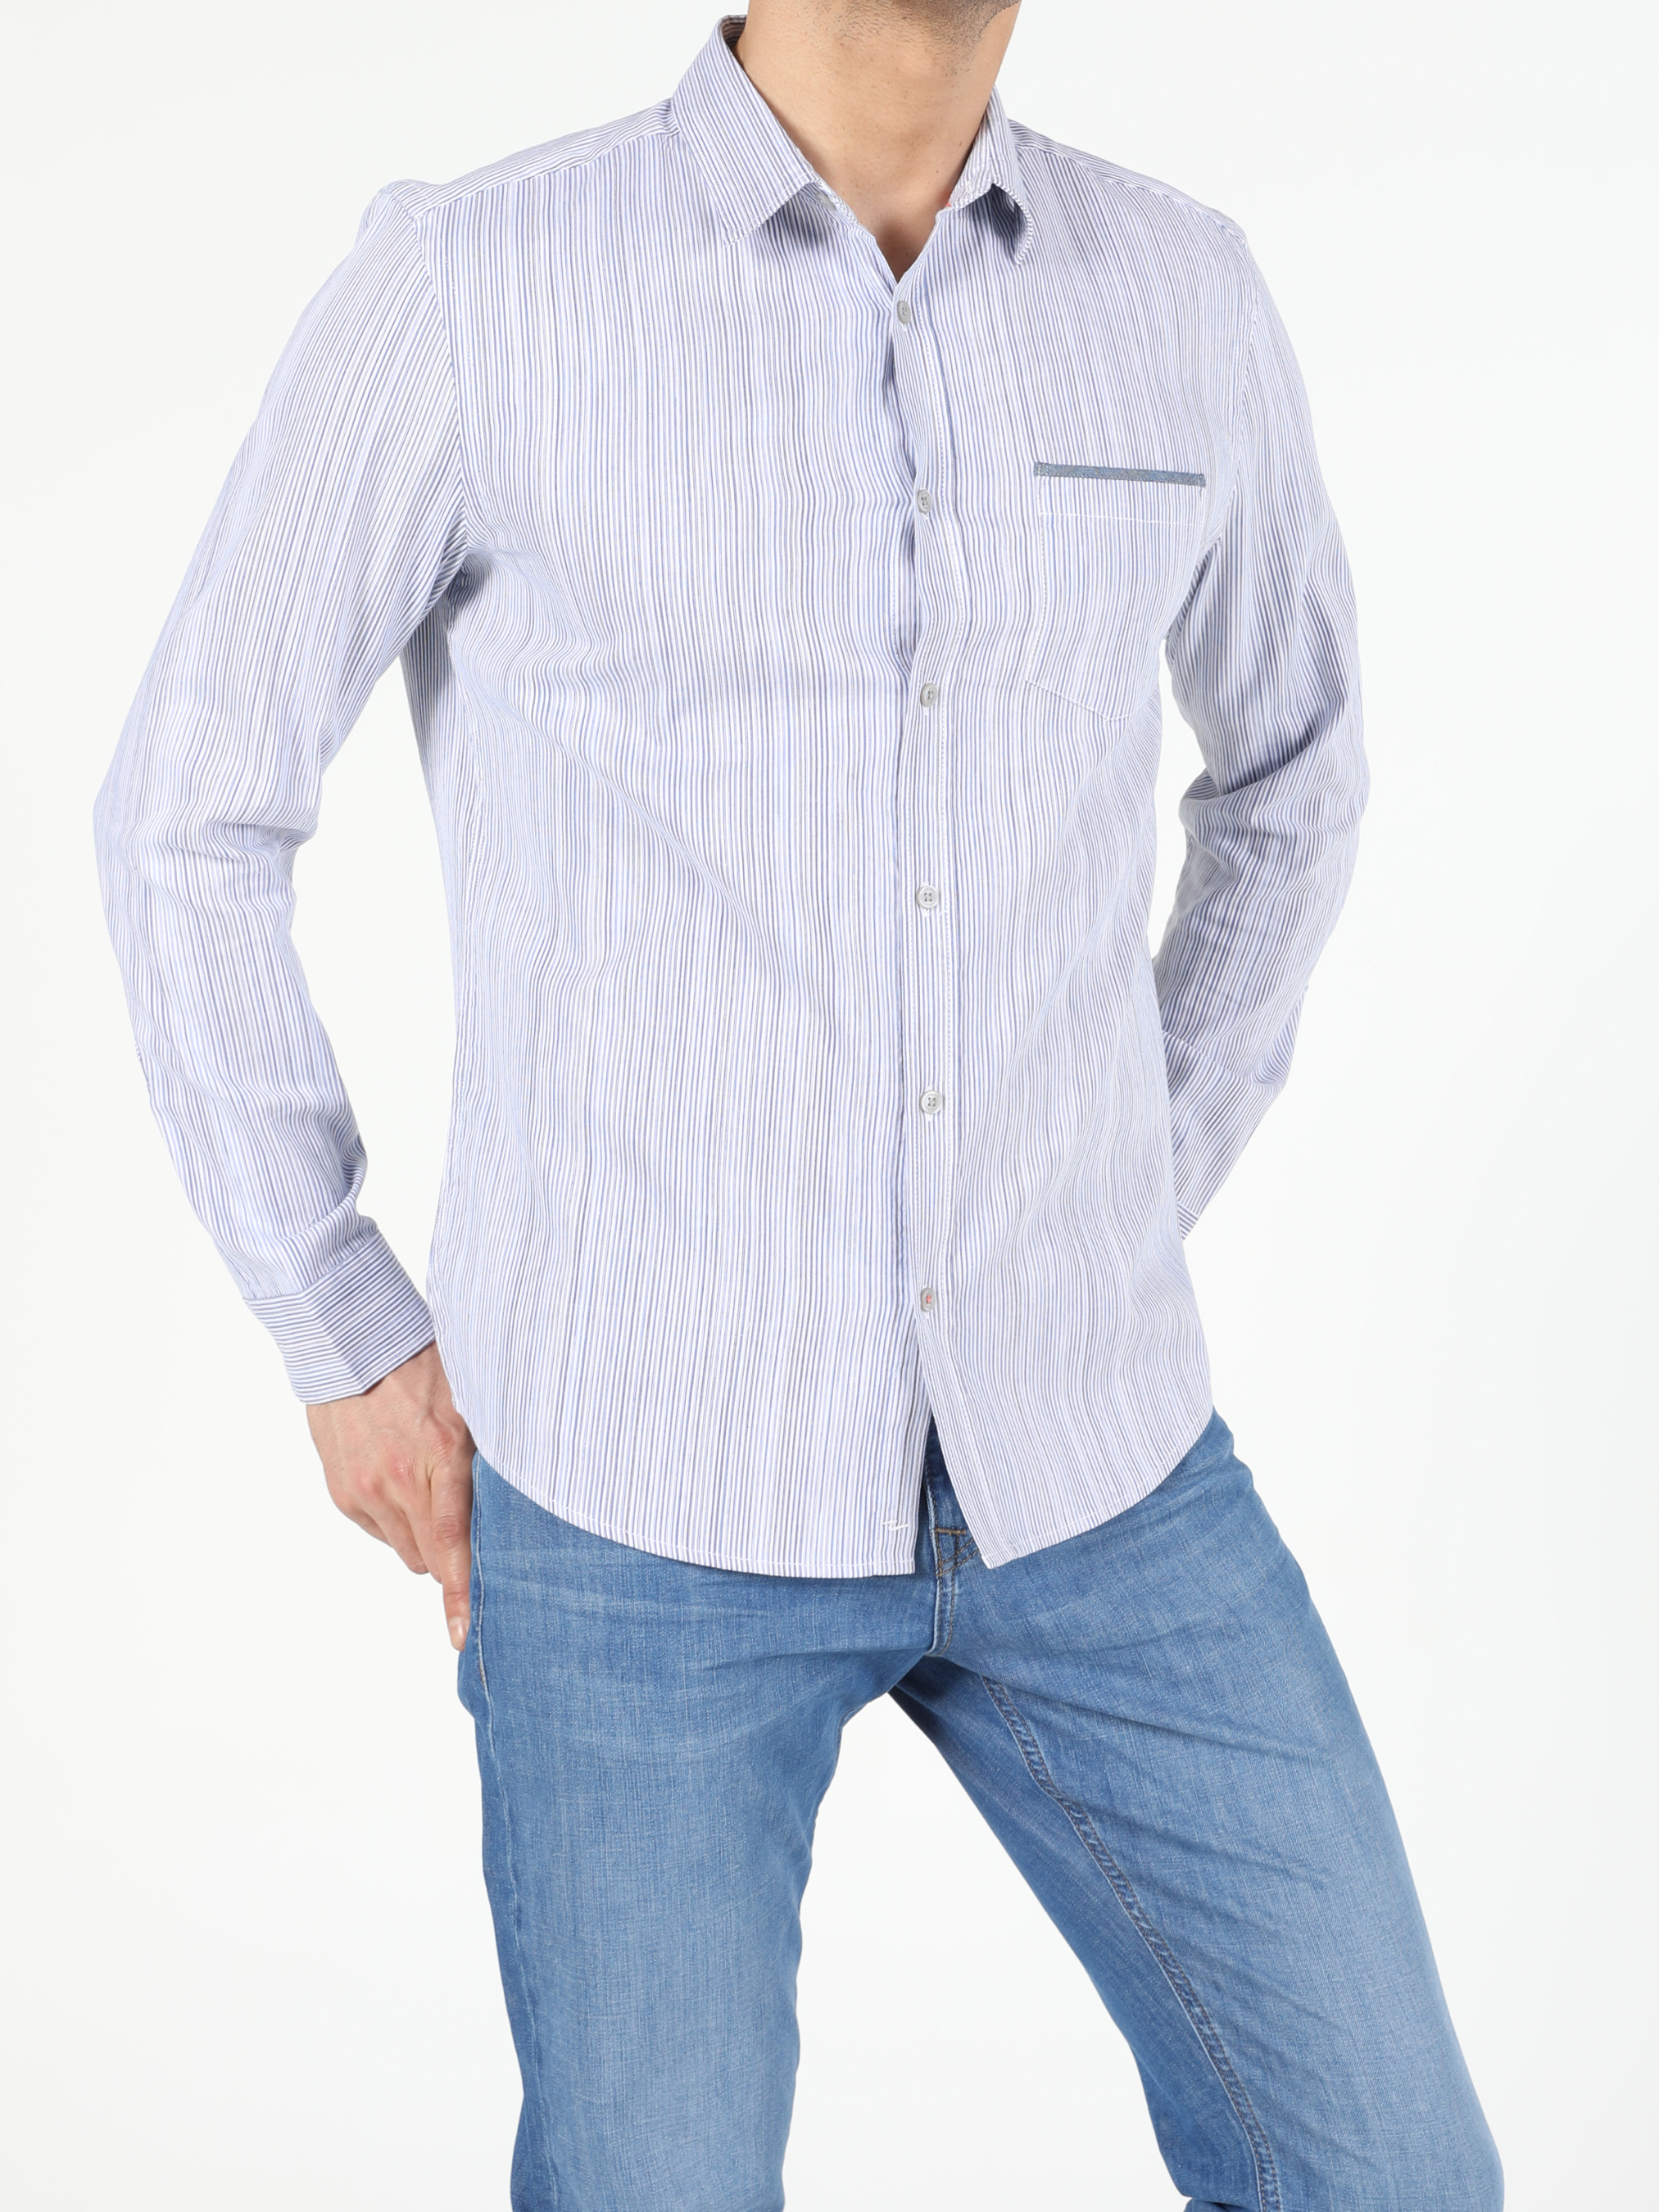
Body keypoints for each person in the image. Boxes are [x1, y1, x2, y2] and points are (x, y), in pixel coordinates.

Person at [93, 3, 1503, 2205]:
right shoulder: (475, 285)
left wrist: (1126, 1172)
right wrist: (341, 1324)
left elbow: (1292, 771)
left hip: (1097, 1466)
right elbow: (187, 812)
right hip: (639, 1499)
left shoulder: (1180, 295)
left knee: (1395, 2173)